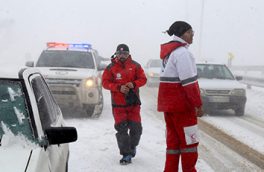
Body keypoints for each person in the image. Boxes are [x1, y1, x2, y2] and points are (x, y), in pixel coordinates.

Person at [157, 21, 204, 172]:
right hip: (183, 107)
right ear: (181, 33)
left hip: (169, 107)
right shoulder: (183, 53)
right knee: (189, 145)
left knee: (173, 145)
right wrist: (198, 104)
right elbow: (189, 83)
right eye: (190, 32)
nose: (192, 35)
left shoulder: (168, 53)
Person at [102, 44, 147, 165]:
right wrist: (118, 88)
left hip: (133, 104)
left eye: (125, 54)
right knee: (121, 130)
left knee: (136, 129)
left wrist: (134, 84)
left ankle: (132, 147)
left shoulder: (135, 66)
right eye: (120, 53)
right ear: (116, 54)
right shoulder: (110, 68)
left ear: (129, 54)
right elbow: (105, 83)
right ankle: (126, 154)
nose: (122, 56)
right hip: (118, 105)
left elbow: (143, 79)